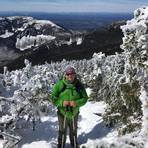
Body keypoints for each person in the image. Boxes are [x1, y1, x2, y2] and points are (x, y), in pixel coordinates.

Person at [51, 66, 88, 148]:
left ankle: (74, 144)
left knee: (73, 130)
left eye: (72, 74)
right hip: (62, 112)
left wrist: (76, 103)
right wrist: (62, 102)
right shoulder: (59, 84)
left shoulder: (79, 85)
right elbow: (53, 98)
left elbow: (85, 98)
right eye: (68, 74)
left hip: (74, 112)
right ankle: (61, 145)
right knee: (62, 130)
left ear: (75, 75)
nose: (70, 76)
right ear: (65, 75)